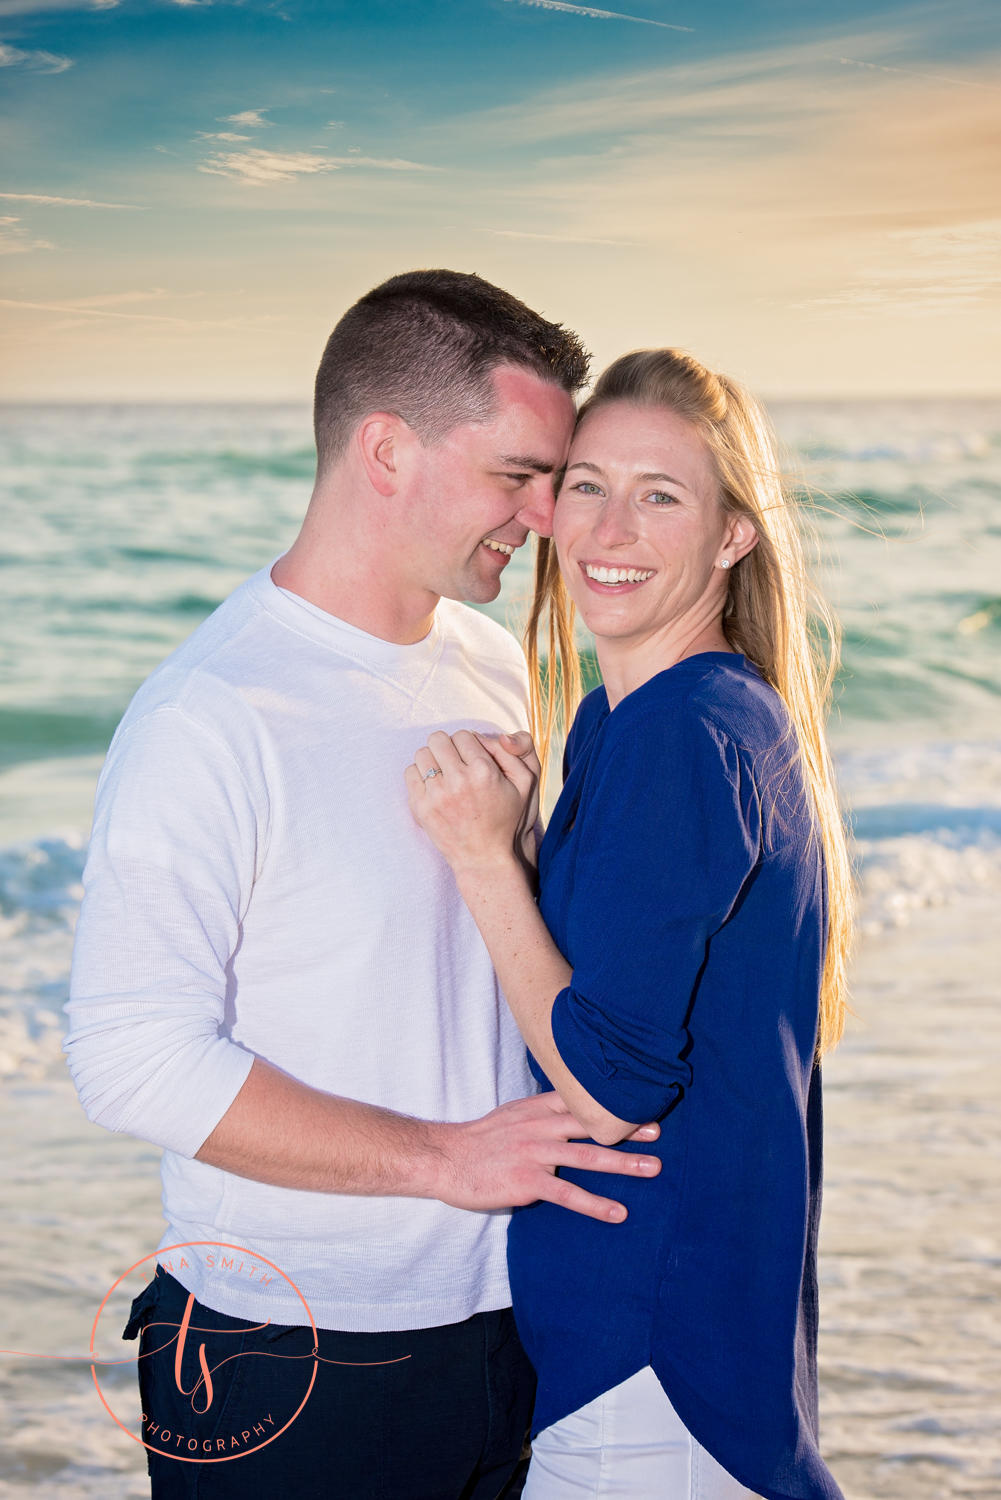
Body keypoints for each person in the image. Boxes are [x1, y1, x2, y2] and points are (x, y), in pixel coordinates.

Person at [64, 272, 667, 1500]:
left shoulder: (490, 661)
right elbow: (129, 1054)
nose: (549, 518)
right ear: (385, 450)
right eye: (517, 476)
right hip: (289, 1356)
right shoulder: (211, 715)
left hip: (510, 1319)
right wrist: (442, 1160)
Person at [406, 348, 854, 1500]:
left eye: (660, 496)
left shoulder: (679, 734)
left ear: (729, 537)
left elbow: (610, 1085)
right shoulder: (636, 716)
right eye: (588, 484)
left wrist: (478, 861)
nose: (609, 526)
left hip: (654, 1367)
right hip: (669, 1346)